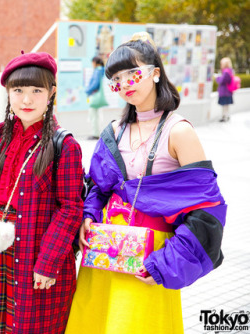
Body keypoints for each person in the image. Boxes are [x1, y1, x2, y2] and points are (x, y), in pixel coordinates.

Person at [65, 32, 226, 334]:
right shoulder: (113, 131)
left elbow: (208, 211)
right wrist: (87, 216)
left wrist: (166, 265)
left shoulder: (179, 132)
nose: (124, 83)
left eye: (133, 73)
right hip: (103, 253)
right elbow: (97, 187)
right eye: (116, 79)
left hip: (149, 261)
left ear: (154, 73)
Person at [0, 52, 84, 333]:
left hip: (37, 250)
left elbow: (70, 208)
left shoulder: (64, 145)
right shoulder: (3, 135)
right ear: (8, 93)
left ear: (51, 93)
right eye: (18, 90)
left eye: (37, 90)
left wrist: (47, 262)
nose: (26, 100)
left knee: (31, 326)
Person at [86, 56, 106, 140]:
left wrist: (87, 91)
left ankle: (95, 134)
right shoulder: (102, 70)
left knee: (93, 115)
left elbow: (95, 84)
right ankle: (97, 133)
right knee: (98, 115)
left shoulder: (97, 71)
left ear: (95, 62)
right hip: (99, 95)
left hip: (95, 95)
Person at [216, 57, 234, 122]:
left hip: (225, 91)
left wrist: (217, 78)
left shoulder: (226, 72)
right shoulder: (230, 71)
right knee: (226, 105)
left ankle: (224, 117)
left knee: (224, 105)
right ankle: (226, 116)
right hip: (228, 91)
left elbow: (222, 81)